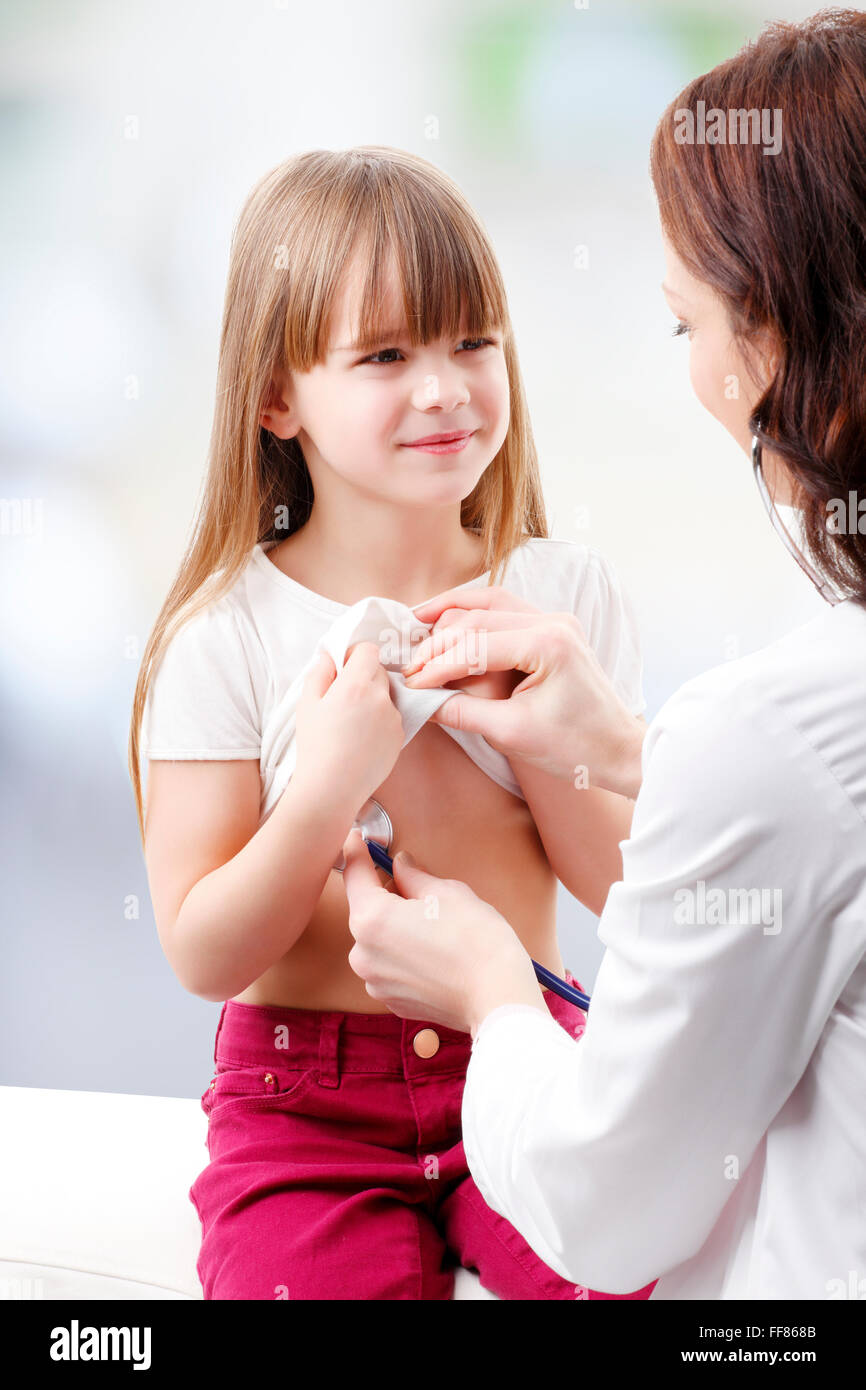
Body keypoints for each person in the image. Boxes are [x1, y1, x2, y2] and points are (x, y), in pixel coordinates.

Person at [340, 11, 866, 1299]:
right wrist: (630, 754)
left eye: (684, 325)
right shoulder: (772, 741)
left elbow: (604, 1203)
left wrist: (487, 992)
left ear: (787, 341)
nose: (445, 393)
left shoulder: (766, 732)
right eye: (383, 357)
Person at [129, 146, 658, 1298]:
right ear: (277, 397)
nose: (444, 387)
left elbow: (621, 885)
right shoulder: (226, 635)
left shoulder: (559, 599)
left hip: (521, 1048)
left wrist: (542, 735)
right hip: (300, 1107)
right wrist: (324, 785)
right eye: (384, 355)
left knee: (640, 1276)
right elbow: (204, 946)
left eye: (473, 341)